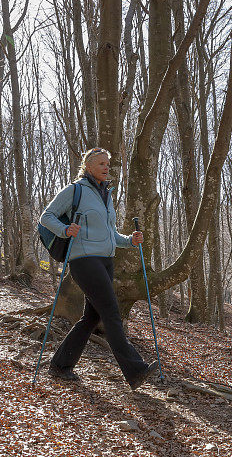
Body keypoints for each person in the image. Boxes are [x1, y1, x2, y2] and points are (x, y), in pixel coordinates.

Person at [39, 148, 159, 390]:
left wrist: (129, 240)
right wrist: (65, 230)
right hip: (84, 260)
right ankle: (135, 370)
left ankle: (61, 365)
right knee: (111, 312)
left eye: (108, 163)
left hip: (105, 260)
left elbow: (109, 234)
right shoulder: (76, 190)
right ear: (89, 167)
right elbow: (46, 216)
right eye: (101, 163)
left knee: (91, 317)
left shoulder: (106, 195)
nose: (106, 167)